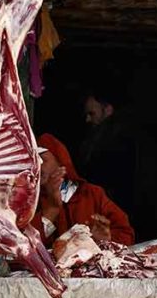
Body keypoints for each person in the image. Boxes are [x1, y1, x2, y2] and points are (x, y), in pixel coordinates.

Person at [32, 133, 134, 246]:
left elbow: (126, 235)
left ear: (60, 161)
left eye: (42, 160)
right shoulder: (31, 202)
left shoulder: (91, 194)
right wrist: (51, 210)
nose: (37, 166)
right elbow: (24, 247)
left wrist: (107, 240)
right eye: (33, 162)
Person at [77, 91, 137, 226]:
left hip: (110, 209)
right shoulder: (99, 137)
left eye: (92, 114)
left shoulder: (115, 140)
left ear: (108, 110)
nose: (87, 119)